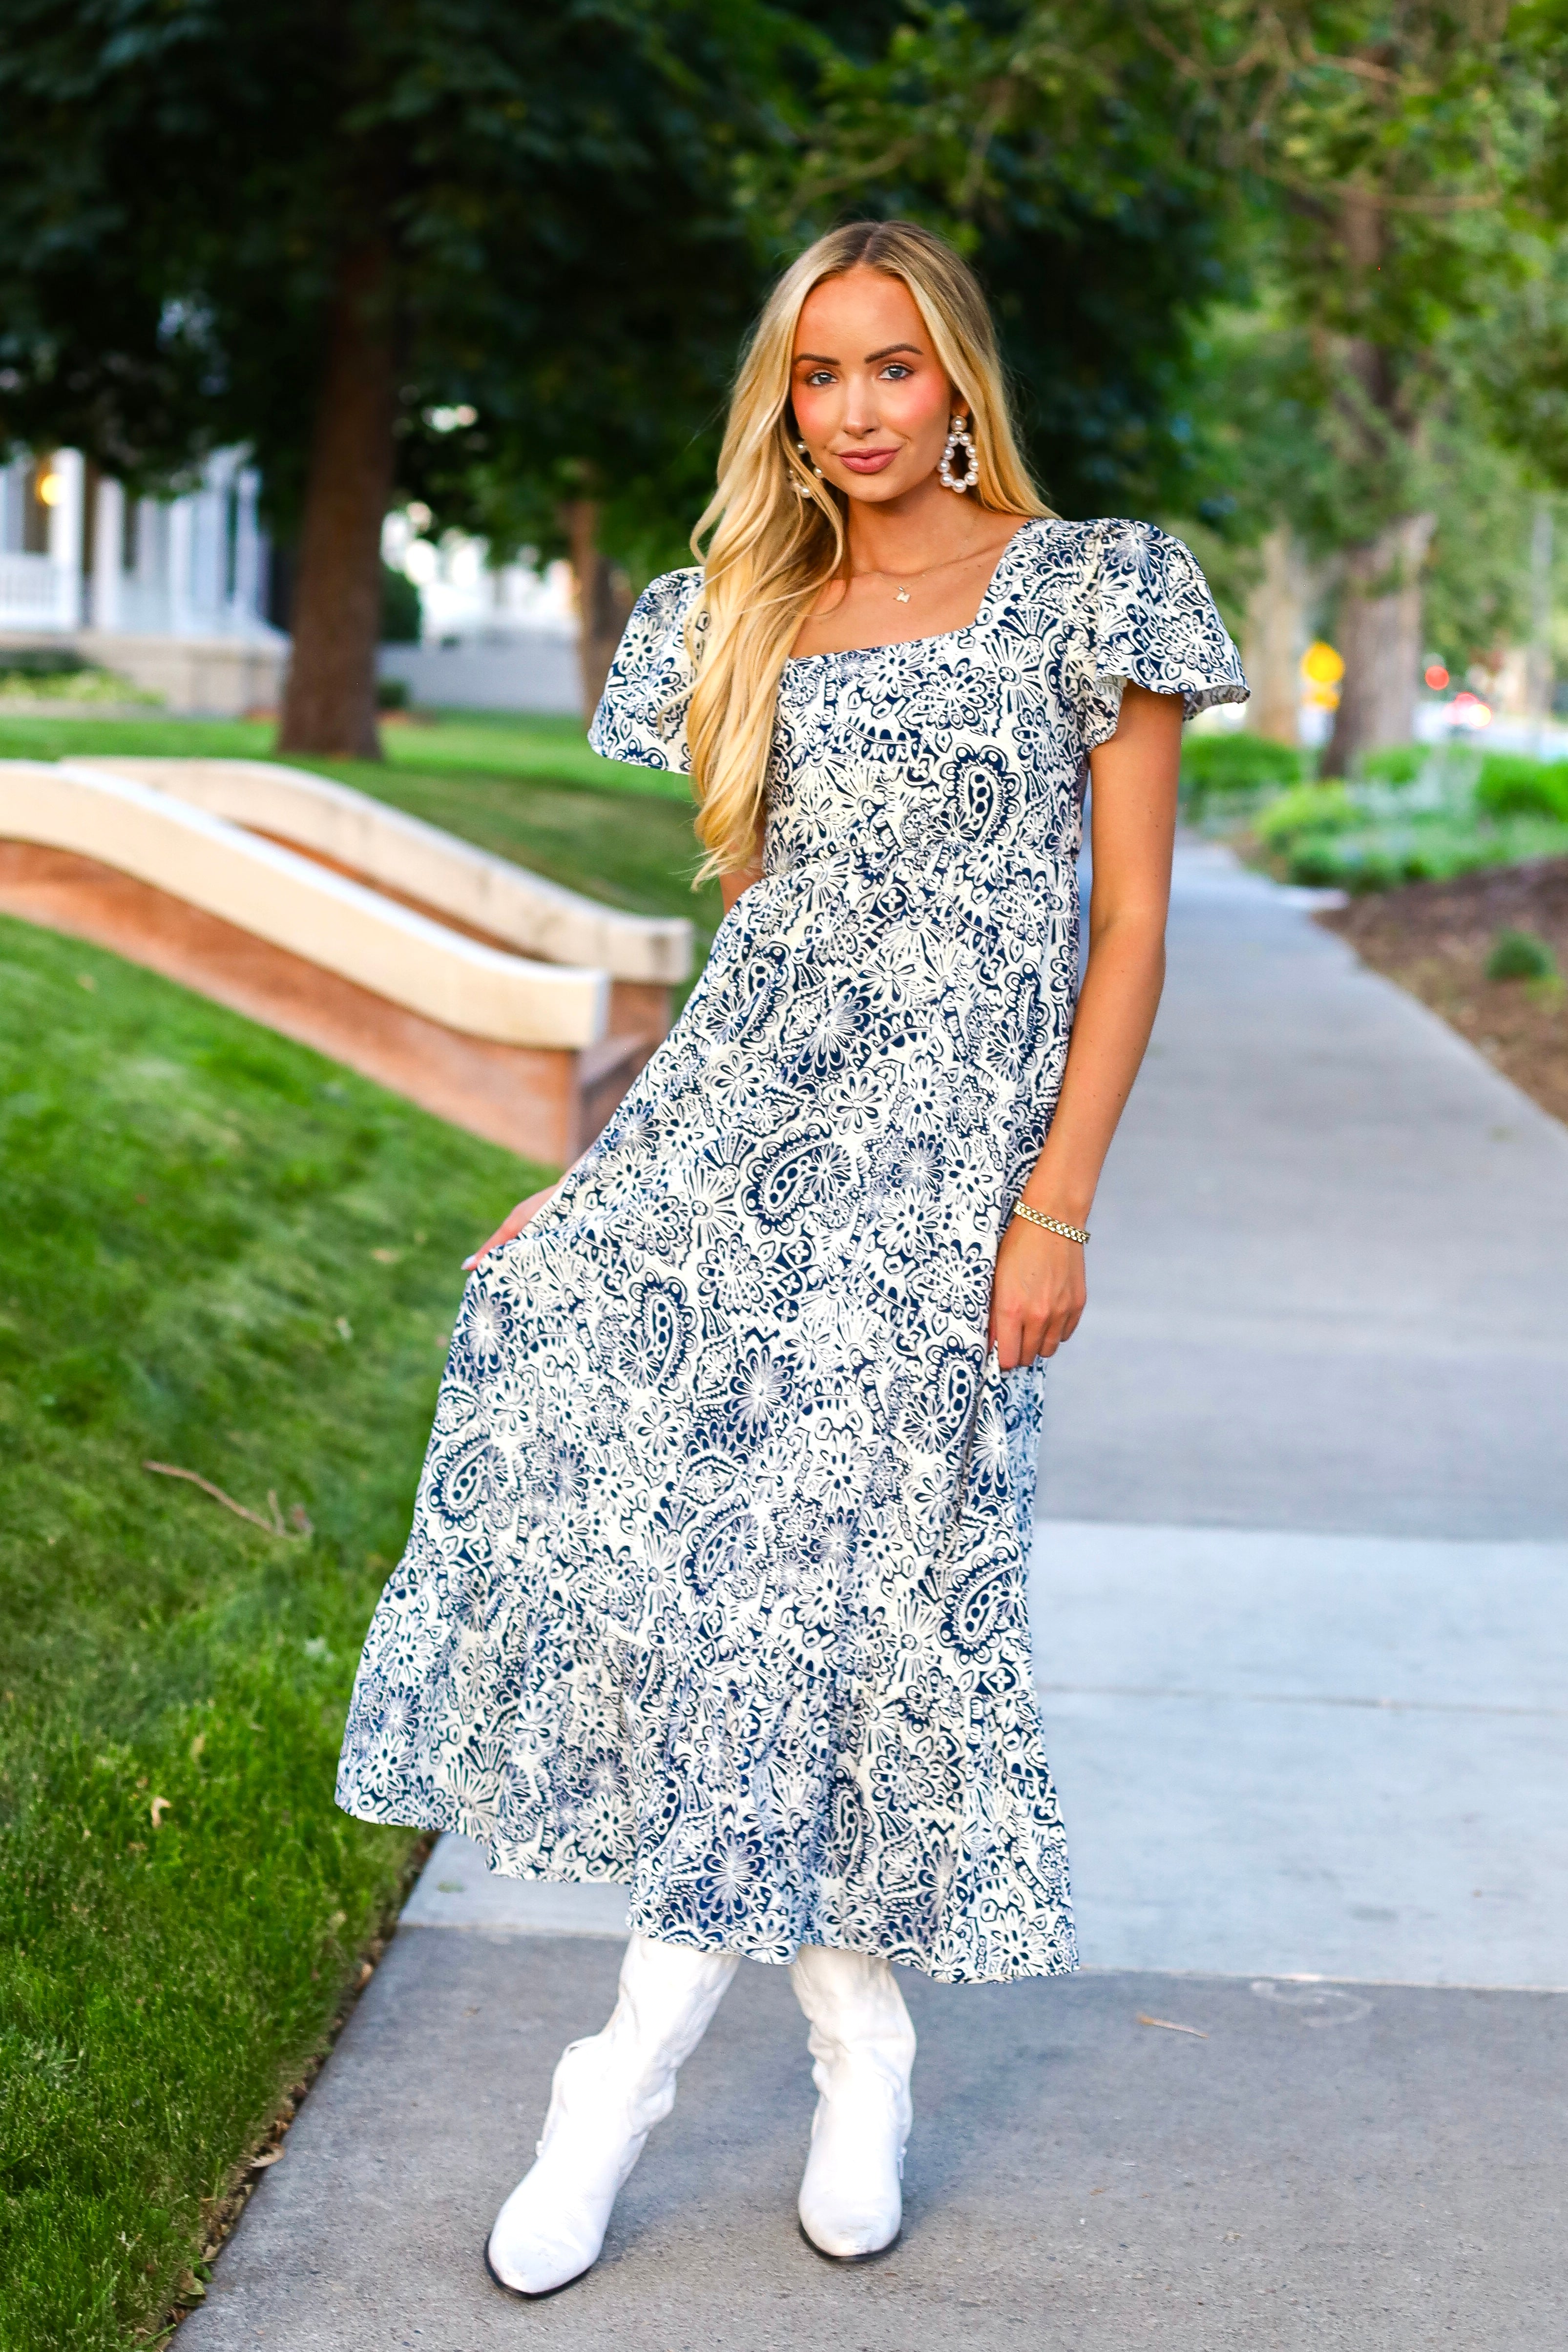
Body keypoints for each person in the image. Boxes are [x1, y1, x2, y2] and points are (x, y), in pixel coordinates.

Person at [336, 217, 1247, 2296]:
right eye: (816, 374)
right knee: (756, 1611)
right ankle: (854, 2050)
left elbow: (1127, 930)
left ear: (956, 380)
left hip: (949, 1196)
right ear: (783, 397)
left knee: (825, 1605)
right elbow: (756, 947)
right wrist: (602, 1179)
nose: (852, 411)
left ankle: (613, 2085)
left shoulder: (1090, 588)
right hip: (741, 1165)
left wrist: (1054, 1204)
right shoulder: (735, 613)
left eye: (889, 368)